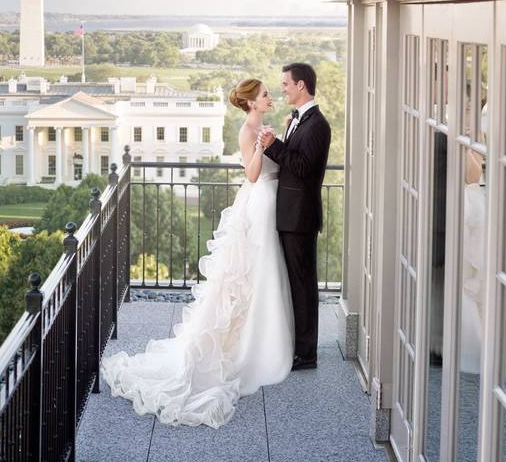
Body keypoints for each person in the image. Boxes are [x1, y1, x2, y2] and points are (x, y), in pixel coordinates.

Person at [99, 78, 294, 428]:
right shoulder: (248, 132)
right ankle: (247, 351)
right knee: (252, 275)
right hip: (258, 201)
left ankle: (264, 343)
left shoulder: (261, 127)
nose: (270, 98)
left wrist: (273, 142)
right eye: (265, 94)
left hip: (269, 202)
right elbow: (251, 175)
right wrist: (265, 146)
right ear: (251, 103)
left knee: (263, 275)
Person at [258, 63, 332, 370]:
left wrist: (273, 146)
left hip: (300, 217)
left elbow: (302, 169)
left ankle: (307, 353)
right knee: (295, 283)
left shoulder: (318, 125)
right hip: (290, 214)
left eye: (286, 84)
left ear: (301, 85)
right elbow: (295, 160)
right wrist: (281, 141)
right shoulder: (299, 120)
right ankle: (298, 345)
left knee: (303, 285)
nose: (283, 89)